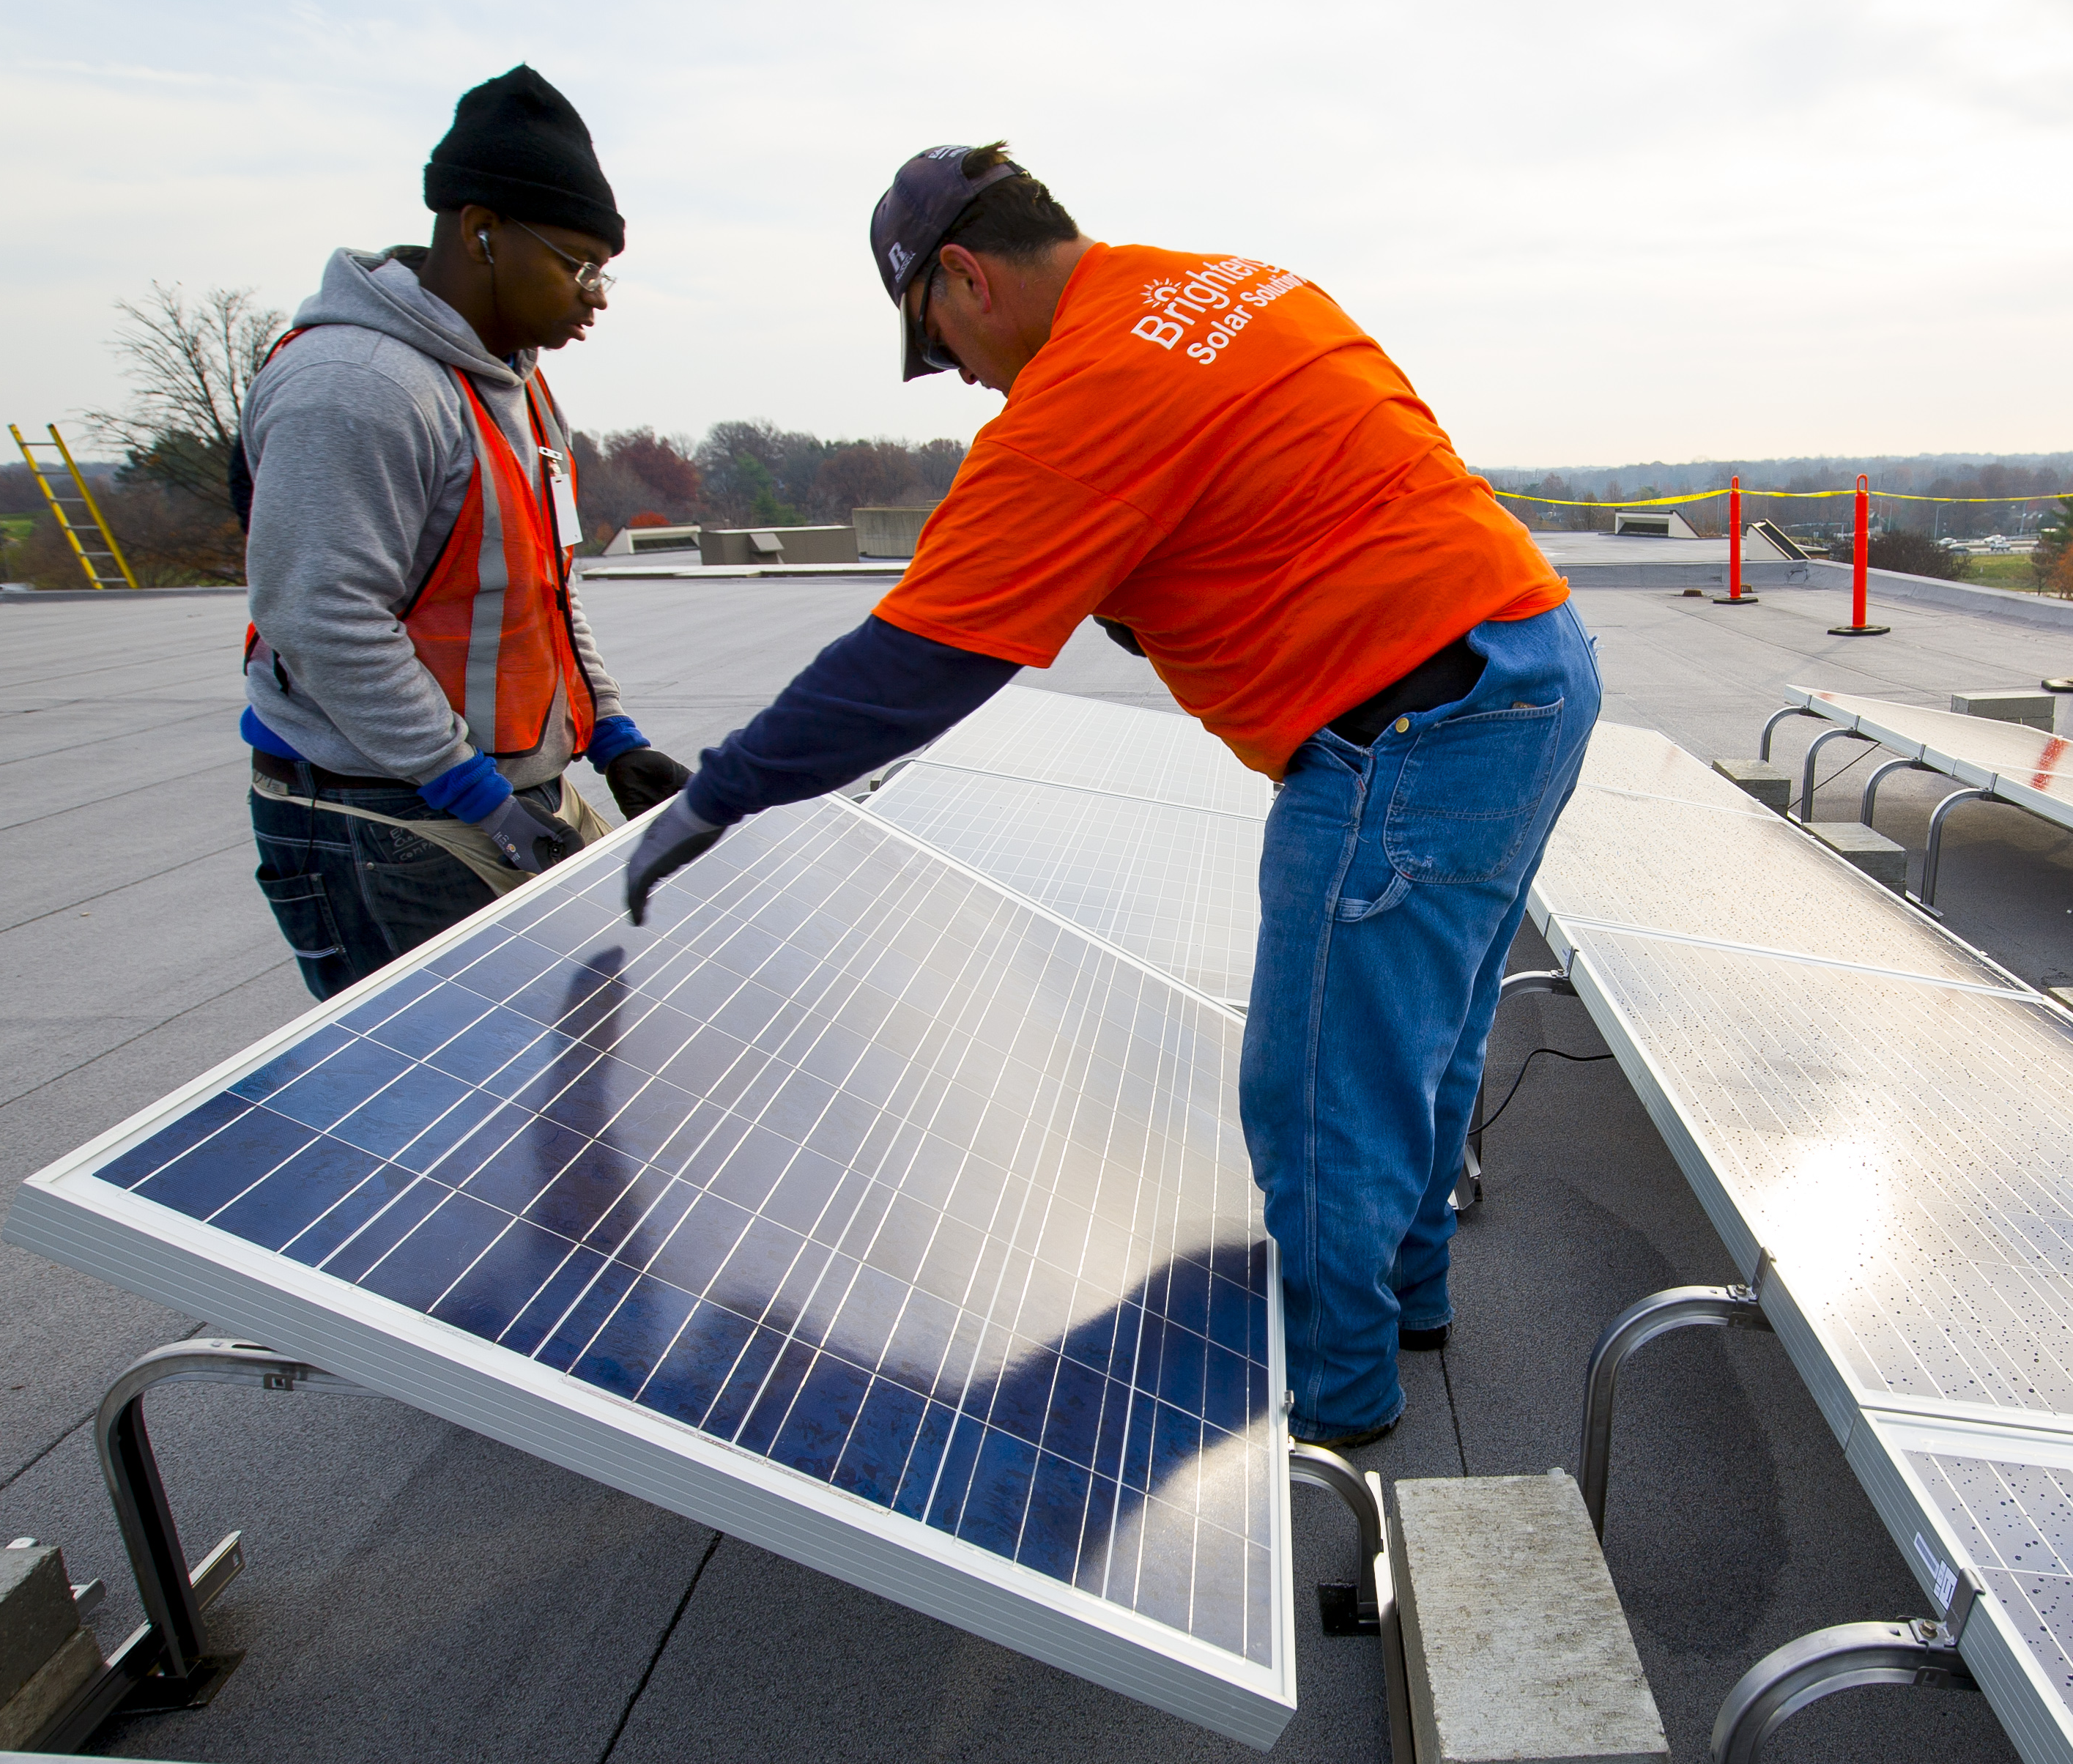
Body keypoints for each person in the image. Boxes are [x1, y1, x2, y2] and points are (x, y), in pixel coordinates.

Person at [621, 143, 1596, 1448]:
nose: (958, 378)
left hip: (1408, 727)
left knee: (1316, 1089)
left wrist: (719, 796)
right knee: (1419, 1042)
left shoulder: (1084, 391)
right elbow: (1318, 484)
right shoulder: (1231, 287)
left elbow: (913, 665)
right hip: (1529, 670)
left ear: (962, 277)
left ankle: (1342, 1415)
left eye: (935, 344)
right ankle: (1409, 1305)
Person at [237, 64, 689, 1001]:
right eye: (575, 262)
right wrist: (475, 793)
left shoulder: (516, 388)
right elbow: (322, 619)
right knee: (455, 1114)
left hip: (494, 792)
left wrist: (610, 736)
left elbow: (543, 592)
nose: (595, 295)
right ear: (481, 232)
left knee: (594, 1045)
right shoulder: (360, 384)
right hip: (386, 817)